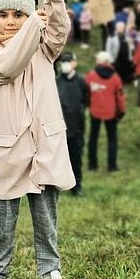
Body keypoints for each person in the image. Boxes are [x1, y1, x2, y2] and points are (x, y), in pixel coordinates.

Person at [0, 0, 75, 279]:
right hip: (8, 147)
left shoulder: (45, 48)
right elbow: (8, 67)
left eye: (19, 14)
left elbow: (59, 28)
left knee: (46, 214)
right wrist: (33, 25)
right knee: (4, 218)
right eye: (3, 15)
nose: (10, 21)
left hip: (42, 143)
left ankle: (50, 269)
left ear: (30, 14)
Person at [85, 51, 126, 172]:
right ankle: (112, 165)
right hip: (110, 112)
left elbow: (87, 92)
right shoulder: (115, 78)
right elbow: (120, 96)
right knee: (112, 138)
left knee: (93, 137)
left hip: (95, 110)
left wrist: (88, 105)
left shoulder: (91, 75)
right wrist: (121, 111)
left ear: (101, 62)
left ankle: (92, 165)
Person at [56, 52, 89, 196]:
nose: (65, 64)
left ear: (74, 63)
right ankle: (58, 186)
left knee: (76, 157)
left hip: (76, 126)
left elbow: (86, 100)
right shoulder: (56, 81)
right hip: (59, 127)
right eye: (63, 62)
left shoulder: (81, 82)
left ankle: (77, 185)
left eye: (68, 61)